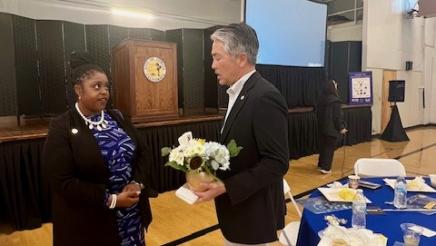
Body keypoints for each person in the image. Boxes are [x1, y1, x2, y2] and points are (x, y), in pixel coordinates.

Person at [43, 52, 153, 246]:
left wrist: (137, 183)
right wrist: (111, 200)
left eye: (106, 86)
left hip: (131, 215)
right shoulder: (61, 126)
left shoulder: (118, 116)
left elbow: (143, 152)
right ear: (79, 90)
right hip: (90, 222)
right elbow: (61, 181)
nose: (104, 92)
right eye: (96, 86)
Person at [195, 23, 289, 245]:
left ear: (241, 58)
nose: (213, 65)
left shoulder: (264, 97)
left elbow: (276, 162)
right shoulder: (239, 93)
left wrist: (226, 186)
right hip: (239, 213)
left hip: (252, 215)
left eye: (218, 58)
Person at [316, 79, 348, 174]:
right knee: (329, 148)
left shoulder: (321, 100)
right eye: (335, 84)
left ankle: (321, 165)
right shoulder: (336, 101)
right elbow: (337, 117)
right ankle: (326, 168)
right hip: (331, 129)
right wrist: (341, 128)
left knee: (323, 147)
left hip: (321, 128)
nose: (337, 86)